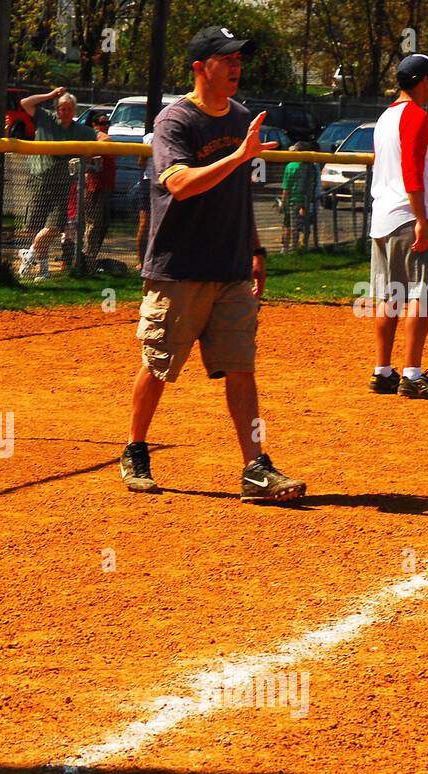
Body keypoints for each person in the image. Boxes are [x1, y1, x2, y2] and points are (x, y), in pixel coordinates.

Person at [120, 26, 306, 504]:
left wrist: (256, 247)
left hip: (230, 267)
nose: (236, 67)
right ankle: (135, 449)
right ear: (201, 67)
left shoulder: (242, 117)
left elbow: (238, 194)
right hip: (179, 267)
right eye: (227, 60)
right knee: (159, 365)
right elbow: (179, 184)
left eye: (240, 59)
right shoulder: (175, 121)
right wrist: (239, 155)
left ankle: (256, 468)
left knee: (242, 367)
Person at [367, 53, 428, 399]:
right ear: (423, 80)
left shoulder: (385, 117)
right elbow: (412, 173)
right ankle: (412, 375)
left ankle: (383, 371)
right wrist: (421, 219)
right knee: (422, 294)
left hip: (383, 218)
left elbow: (380, 165)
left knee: (389, 296)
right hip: (409, 215)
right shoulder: (416, 117)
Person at [16, 86, 95, 280]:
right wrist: (50, 95)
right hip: (40, 180)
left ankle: (30, 254)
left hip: (62, 183)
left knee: (53, 227)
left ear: (74, 110)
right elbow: (25, 103)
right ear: (57, 109)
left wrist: (89, 154)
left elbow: (96, 142)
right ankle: (43, 270)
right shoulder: (46, 118)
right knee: (35, 227)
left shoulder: (81, 131)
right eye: (61, 108)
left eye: (68, 108)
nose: (64, 112)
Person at [81, 111, 116, 273]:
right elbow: (105, 140)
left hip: (106, 187)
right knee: (94, 223)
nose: (105, 126)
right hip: (93, 187)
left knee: (104, 223)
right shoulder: (94, 136)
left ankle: (91, 257)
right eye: (102, 123)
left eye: (107, 123)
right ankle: (86, 258)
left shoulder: (103, 138)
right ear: (94, 125)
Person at [280, 141, 319, 251]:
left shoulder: (290, 166)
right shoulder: (311, 167)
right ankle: (302, 247)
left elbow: (286, 187)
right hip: (306, 200)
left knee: (289, 225)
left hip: (291, 200)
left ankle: (288, 247)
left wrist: (283, 202)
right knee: (305, 225)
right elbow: (313, 184)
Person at [136, 130, 154, 268]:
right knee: (144, 223)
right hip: (149, 182)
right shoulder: (150, 138)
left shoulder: (178, 135)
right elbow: (141, 162)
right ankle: (142, 262)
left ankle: (151, 261)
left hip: (167, 181)